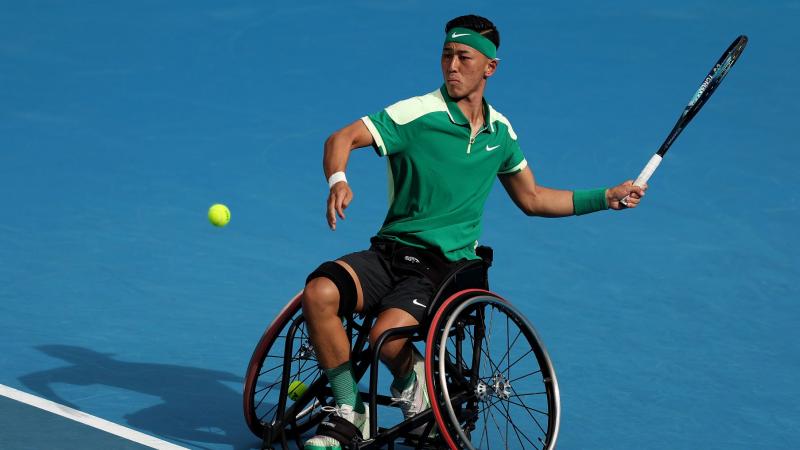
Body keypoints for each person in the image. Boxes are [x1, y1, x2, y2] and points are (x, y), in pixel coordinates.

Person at [301, 14, 646, 450]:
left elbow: (534, 198)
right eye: (446, 55)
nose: (452, 66)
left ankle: (416, 391)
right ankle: (350, 409)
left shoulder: (501, 134)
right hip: (389, 252)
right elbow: (341, 137)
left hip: (443, 266)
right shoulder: (418, 114)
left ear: (490, 67)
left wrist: (605, 197)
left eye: (464, 57)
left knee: (385, 338)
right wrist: (338, 179)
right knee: (319, 293)